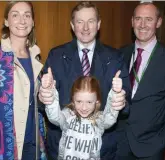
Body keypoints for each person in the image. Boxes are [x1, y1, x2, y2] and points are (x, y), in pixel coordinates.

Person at [38, 1, 131, 160]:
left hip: (101, 149)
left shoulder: (115, 57)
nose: (85, 27)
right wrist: (43, 96)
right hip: (63, 148)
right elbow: (43, 101)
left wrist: (120, 101)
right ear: (72, 26)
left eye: (91, 21)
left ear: (99, 24)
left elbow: (126, 103)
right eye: (80, 22)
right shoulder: (56, 55)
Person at [0, 1, 47, 160]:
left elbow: (34, 105)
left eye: (27, 15)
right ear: (6, 21)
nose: (22, 20)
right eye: (15, 15)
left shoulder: (36, 57)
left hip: (32, 147)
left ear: (33, 22)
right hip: (3, 149)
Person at [116, 2, 165, 160]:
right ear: (132, 21)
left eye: (148, 19)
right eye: (138, 19)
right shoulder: (120, 53)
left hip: (151, 146)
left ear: (159, 22)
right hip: (119, 142)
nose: (142, 25)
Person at [42, 68, 123, 160]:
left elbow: (110, 118)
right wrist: (50, 92)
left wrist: (115, 93)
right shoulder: (68, 115)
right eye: (79, 101)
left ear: (96, 101)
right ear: (73, 100)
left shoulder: (99, 119)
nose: (84, 108)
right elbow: (54, 117)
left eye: (89, 102)